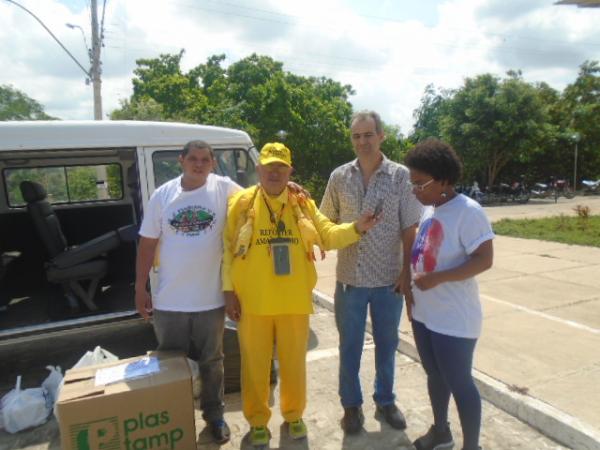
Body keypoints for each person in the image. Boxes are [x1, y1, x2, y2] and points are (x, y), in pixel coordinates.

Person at [222, 142, 380, 448]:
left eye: (281, 167)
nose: (275, 172)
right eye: (269, 166)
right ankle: (257, 421)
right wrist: (228, 291)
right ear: (259, 169)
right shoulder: (240, 204)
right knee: (254, 365)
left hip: (293, 301)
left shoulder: (302, 204)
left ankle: (293, 415)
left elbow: (327, 235)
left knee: (295, 364)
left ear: (290, 171)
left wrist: (357, 228)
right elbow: (227, 250)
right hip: (253, 301)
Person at [320, 110, 422, 433]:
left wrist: (406, 274)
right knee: (348, 345)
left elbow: (410, 229)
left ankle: (385, 400)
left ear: (381, 136)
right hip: (349, 280)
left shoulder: (400, 177)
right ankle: (351, 406)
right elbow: (325, 221)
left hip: (388, 281)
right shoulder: (339, 177)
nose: (362, 141)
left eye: (368, 134)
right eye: (356, 136)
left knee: (387, 344)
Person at [135, 140, 238, 444]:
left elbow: (259, 199)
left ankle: (215, 417)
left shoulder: (223, 188)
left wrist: (292, 187)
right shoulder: (163, 195)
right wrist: (140, 287)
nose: (199, 164)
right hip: (170, 301)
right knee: (170, 366)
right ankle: (173, 419)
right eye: (193, 158)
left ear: (212, 162)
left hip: (210, 300)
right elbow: (147, 244)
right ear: (181, 160)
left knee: (212, 363)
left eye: (205, 159)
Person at [405, 138, 494, 450]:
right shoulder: (430, 209)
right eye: (411, 182)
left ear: (443, 179)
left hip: (454, 319)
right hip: (425, 314)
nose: (415, 190)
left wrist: (438, 278)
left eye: (420, 183)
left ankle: (472, 446)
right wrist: (410, 295)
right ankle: (441, 431)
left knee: (460, 382)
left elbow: (485, 259)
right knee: (434, 376)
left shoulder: (468, 212)